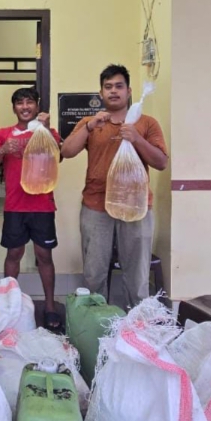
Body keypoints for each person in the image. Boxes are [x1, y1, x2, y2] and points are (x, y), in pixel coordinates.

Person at [61, 64, 168, 307]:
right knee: (94, 272)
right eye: (108, 87)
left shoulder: (147, 123)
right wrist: (89, 127)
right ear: (101, 93)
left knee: (137, 276)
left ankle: (136, 324)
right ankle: (96, 320)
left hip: (136, 207)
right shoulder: (90, 122)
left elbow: (161, 162)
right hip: (95, 206)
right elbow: (66, 151)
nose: (113, 91)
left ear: (128, 91)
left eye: (119, 86)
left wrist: (137, 139)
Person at [0, 87, 62, 331]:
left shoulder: (47, 132)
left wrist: (46, 128)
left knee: (44, 256)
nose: (25, 107)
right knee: (13, 254)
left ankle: (50, 306)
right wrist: (3, 150)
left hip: (42, 205)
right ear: (14, 107)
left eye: (30, 102)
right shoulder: (4, 134)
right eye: (20, 102)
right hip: (15, 206)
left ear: (37, 106)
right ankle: (8, 305)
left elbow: (59, 155)